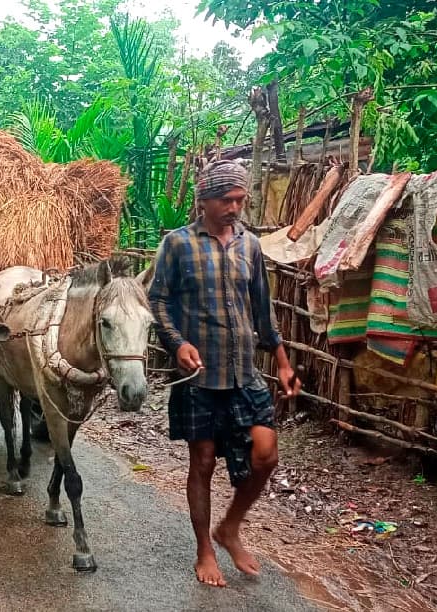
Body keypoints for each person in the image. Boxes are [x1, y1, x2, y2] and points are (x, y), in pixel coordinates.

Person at [148, 159, 301, 588]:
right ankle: (204, 548)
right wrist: (178, 343)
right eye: (226, 200)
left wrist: (284, 361)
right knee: (202, 463)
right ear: (204, 201)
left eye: (239, 199)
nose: (235, 207)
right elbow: (157, 301)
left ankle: (230, 527)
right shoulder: (176, 245)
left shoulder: (249, 245)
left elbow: (262, 308)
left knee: (265, 454)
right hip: (199, 376)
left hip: (243, 370)